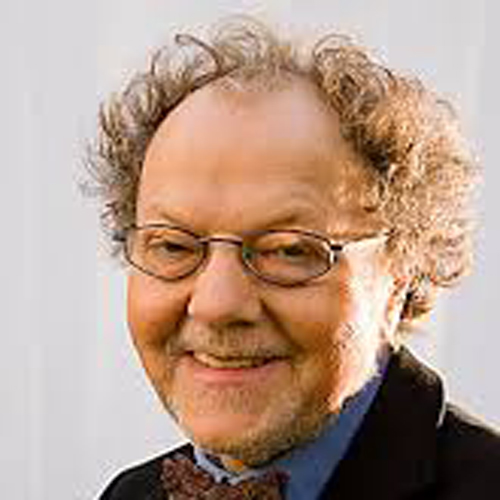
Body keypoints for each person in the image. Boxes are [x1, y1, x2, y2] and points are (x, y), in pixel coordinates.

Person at [88, 16, 500, 500]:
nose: (217, 304)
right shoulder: (131, 493)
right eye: (173, 246)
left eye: (288, 250)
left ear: (400, 274)